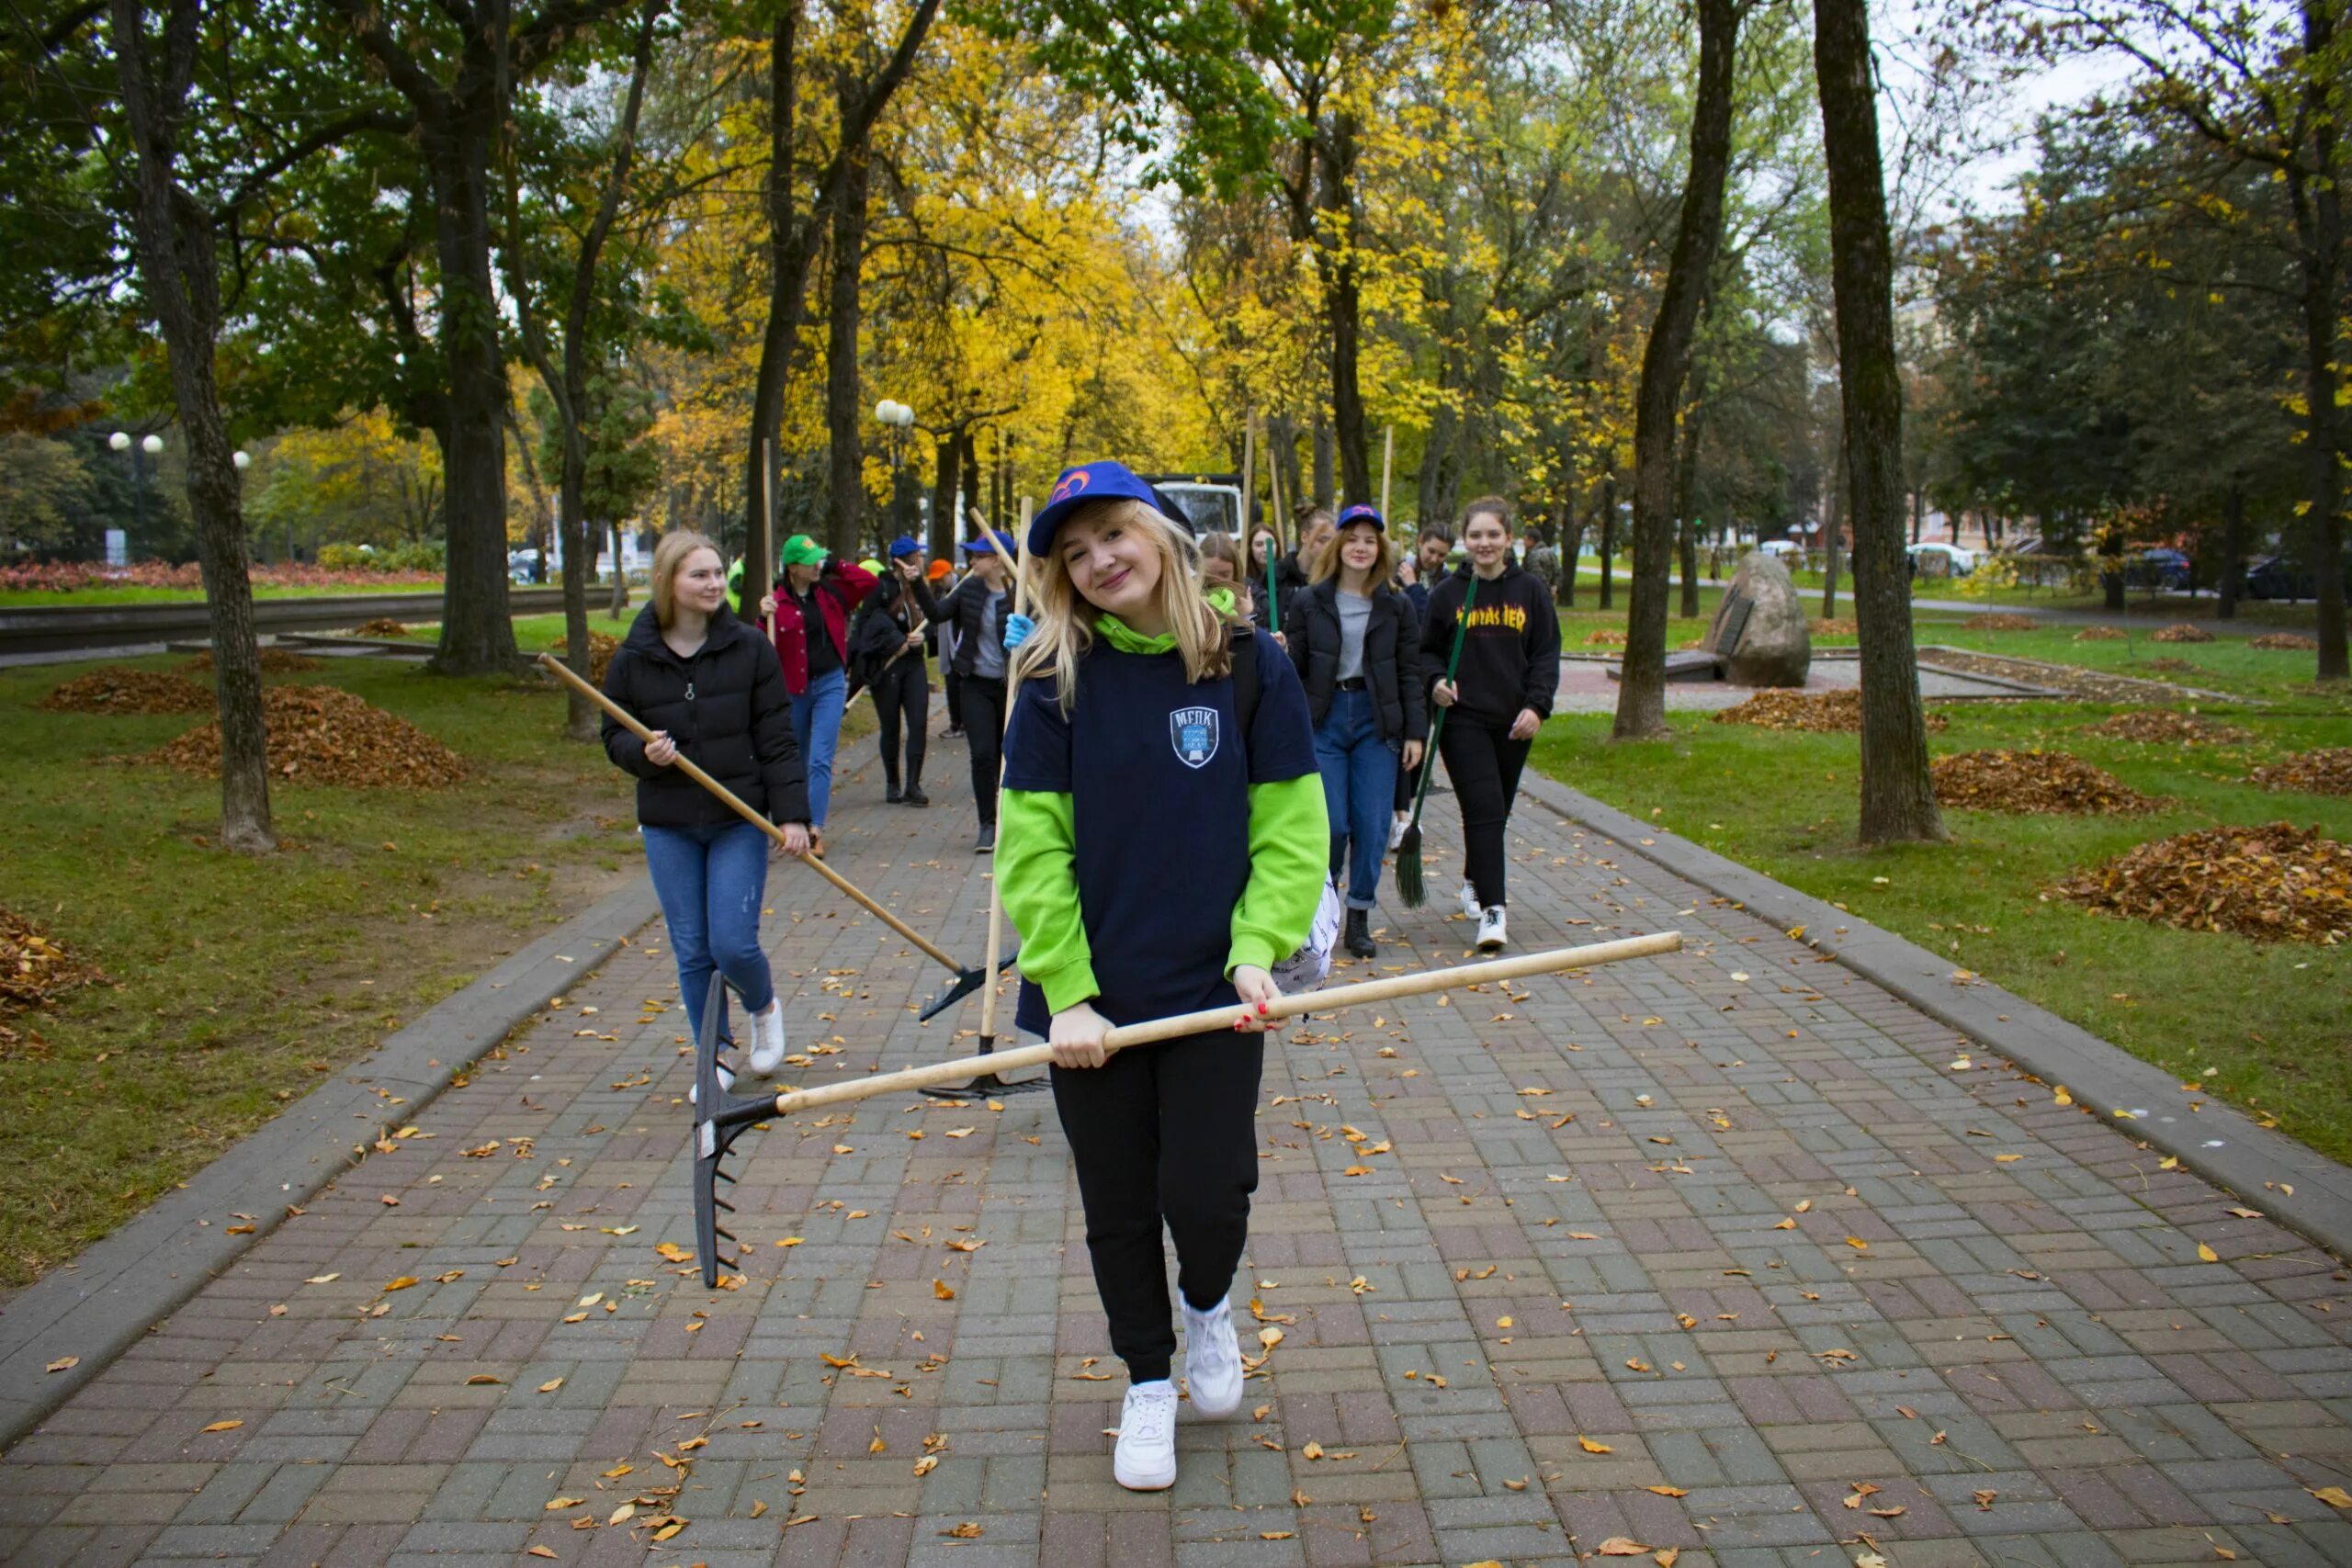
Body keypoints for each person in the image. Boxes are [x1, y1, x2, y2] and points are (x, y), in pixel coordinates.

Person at [996, 460, 1326, 1494]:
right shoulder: (1052, 684)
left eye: (1111, 537)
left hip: (1218, 988)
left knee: (1206, 1187)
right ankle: (1146, 1379)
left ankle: (1209, 1307)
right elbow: (1031, 850)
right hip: (1091, 999)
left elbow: (1289, 824)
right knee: (1118, 1201)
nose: (1096, 562)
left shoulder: (1248, 665)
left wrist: (1256, 949)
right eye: (1073, 552)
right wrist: (1069, 991)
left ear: (1159, 535)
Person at [601, 531, 809, 1076]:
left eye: (718, 572)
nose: (715, 583)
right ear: (670, 582)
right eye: (700, 574)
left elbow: (777, 737)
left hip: (736, 818)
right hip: (668, 823)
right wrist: (645, 753)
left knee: (733, 943)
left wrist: (791, 815)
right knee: (693, 949)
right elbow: (613, 736)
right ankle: (713, 1058)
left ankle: (763, 1007)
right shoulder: (633, 658)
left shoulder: (749, 649)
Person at [1283, 504, 1424, 960]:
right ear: (1338, 545)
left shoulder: (1396, 605)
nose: (1360, 547)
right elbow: (1294, 670)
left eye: (1370, 539)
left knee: (1371, 824)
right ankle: (1324, 906)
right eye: (1352, 538)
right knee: (1333, 824)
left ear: (1379, 549)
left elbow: (1409, 672)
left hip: (1375, 719)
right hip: (1323, 719)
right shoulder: (1309, 601)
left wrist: (1415, 732)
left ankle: (1359, 913)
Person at [1421, 496, 1560, 953]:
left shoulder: (1531, 592)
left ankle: (1472, 877)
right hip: (1463, 721)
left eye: (1493, 535)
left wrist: (1537, 708)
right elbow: (1425, 653)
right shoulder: (1447, 595)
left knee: (1494, 812)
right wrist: (1436, 681)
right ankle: (1495, 912)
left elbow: (1544, 654)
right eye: (1476, 535)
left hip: (1513, 722)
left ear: (1509, 539)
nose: (1484, 543)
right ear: (1465, 540)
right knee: (1482, 810)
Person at [760, 535, 875, 844]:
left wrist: (835, 562)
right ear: (793, 567)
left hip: (830, 683)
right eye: (811, 562)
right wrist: (762, 616)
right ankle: (789, 819)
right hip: (793, 688)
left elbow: (867, 582)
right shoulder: (777, 602)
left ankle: (815, 828)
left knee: (820, 758)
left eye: (819, 560)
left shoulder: (831, 594)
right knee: (795, 756)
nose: (817, 566)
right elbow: (760, 644)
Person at [937, 531, 1020, 852]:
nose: (972, 562)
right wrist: (915, 581)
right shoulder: (967, 589)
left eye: (979, 556)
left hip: (1012, 687)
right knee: (983, 755)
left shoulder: (1020, 592)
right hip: (974, 684)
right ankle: (988, 824)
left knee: (1010, 755)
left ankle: (1011, 824)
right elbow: (937, 614)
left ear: (997, 559)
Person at [849, 536, 938, 806]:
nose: (921, 560)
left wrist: (923, 637)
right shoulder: (881, 589)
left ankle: (913, 784)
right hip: (887, 668)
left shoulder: (921, 587)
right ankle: (893, 783)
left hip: (914, 664)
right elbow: (866, 628)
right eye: (917, 556)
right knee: (891, 726)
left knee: (919, 723)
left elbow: (933, 618)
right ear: (904, 560)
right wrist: (895, 642)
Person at [1197, 531, 1256, 622]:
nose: (1216, 581)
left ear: (1236, 573)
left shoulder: (1253, 595)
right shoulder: (1186, 601)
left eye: (1224, 574)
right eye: (1209, 574)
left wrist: (1245, 615)